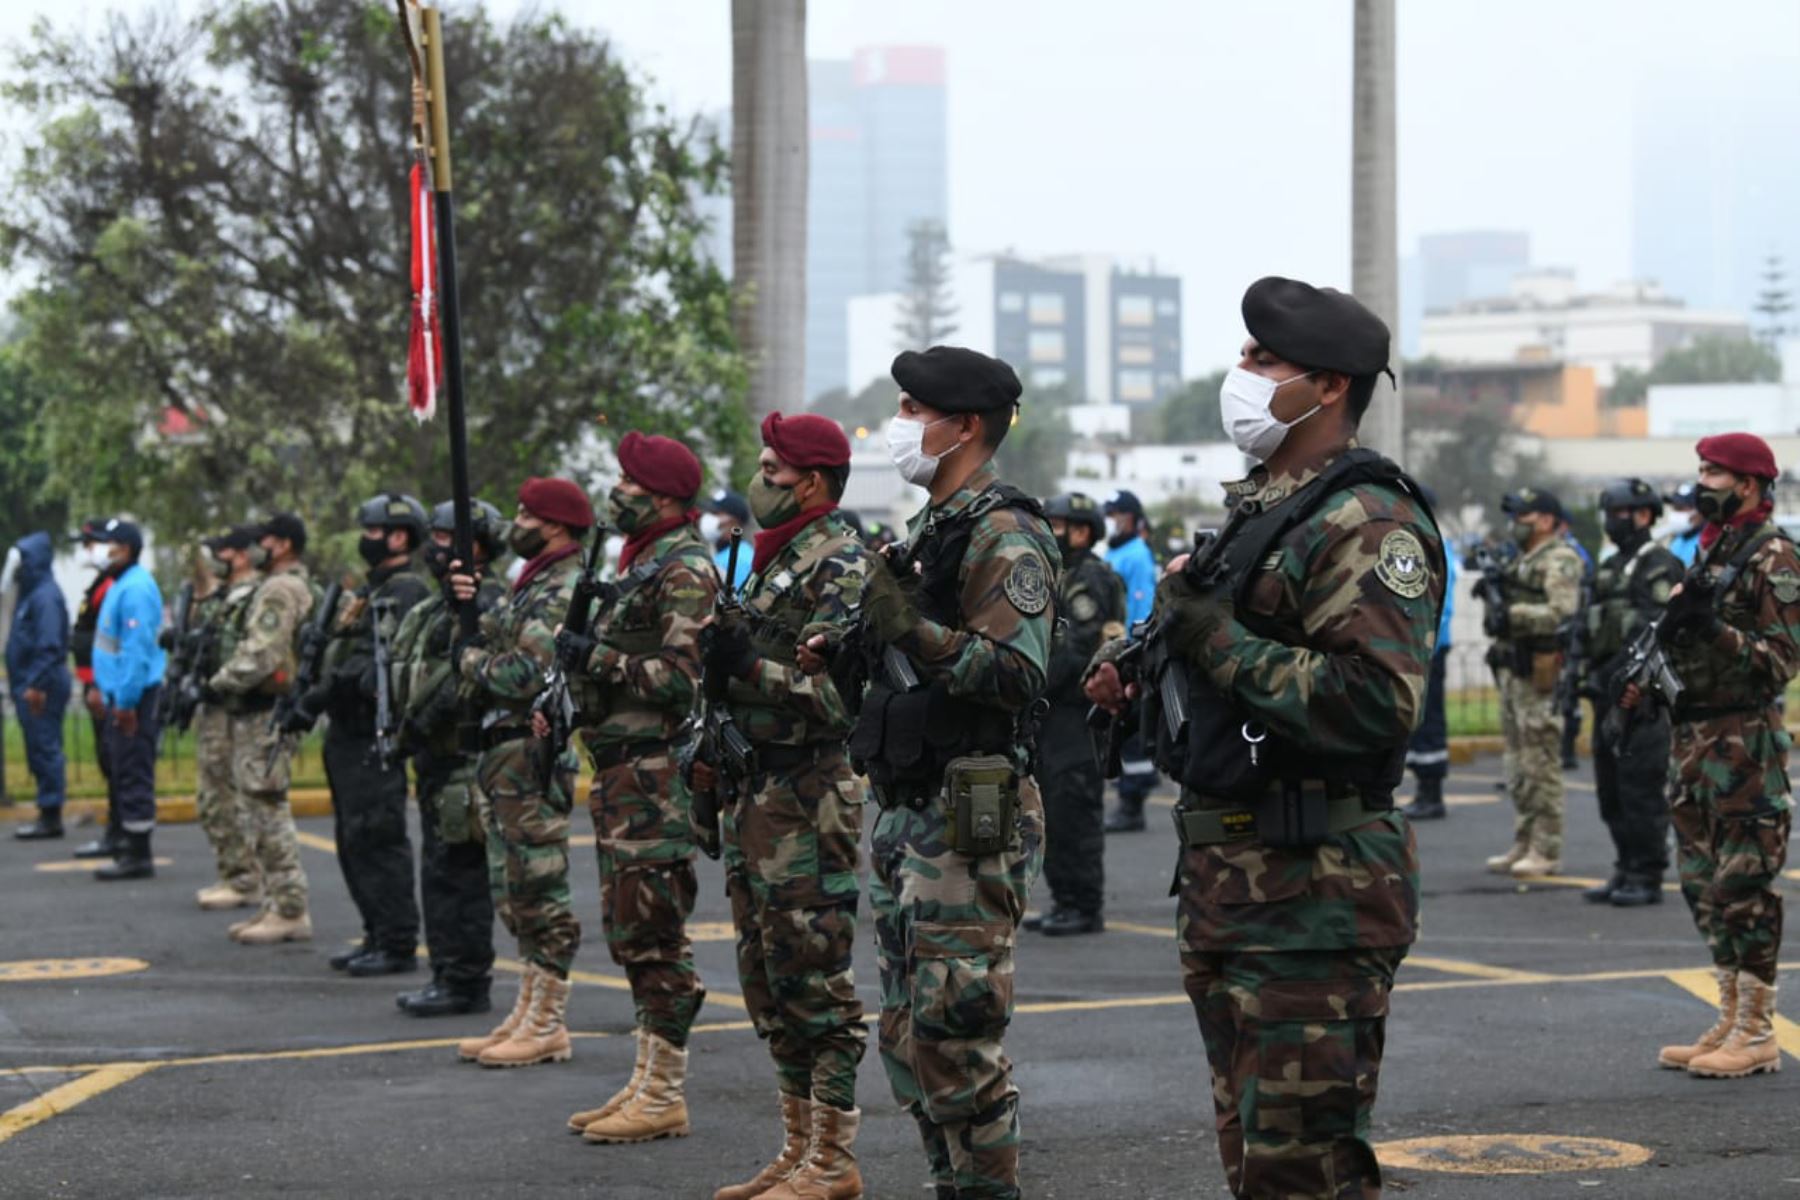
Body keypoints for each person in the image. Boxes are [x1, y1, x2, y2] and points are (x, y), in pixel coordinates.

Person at [1087, 276, 1443, 1198]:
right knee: (1257, 1161)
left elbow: (1375, 701)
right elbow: (1236, 672)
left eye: (1263, 359)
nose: (1240, 372)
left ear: (1327, 386)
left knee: (1304, 1169)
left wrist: (1214, 635)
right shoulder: (1269, 507)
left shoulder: (1366, 517)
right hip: (1233, 884)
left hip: (1314, 893)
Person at [826, 345, 1053, 1200]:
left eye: (917, 409)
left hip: (972, 804)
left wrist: (911, 632)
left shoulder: (1006, 532)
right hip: (909, 808)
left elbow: (1017, 673)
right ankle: (947, 1185)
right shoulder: (934, 530)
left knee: (958, 1033)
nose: (902, 424)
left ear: (966, 426)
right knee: (907, 1036)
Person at [694, 412, 874, 1197]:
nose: (759, 479)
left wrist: (746, 671)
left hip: (807, 794)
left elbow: (843, 702)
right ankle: (797, 1149)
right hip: (756, 791)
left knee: (816, 979)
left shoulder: (842, 563)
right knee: (766, 978)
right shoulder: (770, 562)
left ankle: (833, 1159)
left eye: (772, 468)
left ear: (811, 480)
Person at [556, 433, 716, 1145]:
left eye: (626, 482)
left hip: (654, 776)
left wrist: (602, 657)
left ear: (660, 496)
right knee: (630, 927)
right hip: (623, 772)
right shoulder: (640, 561)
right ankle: (646, 1076)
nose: (613, 492)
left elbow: (682, 682)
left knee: (653, 930)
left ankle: (666, 1090)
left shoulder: (682, 570)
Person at [1640, 434, 1797, 1079]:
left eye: (1714, 472)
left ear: (1750, 485)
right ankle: (1730, 1014)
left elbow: (1780, 662)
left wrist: (1713, 629)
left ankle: (1758, 1030)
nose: (1702, 482)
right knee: (1703, 886)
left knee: (1744, 885)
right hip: (1694, 741)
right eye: (1701, 470)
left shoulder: (1775, 556)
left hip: (1744, 745)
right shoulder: (1712, 552)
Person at [450, 477, 590, 1068]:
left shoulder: (561, 587)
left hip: (532, 757)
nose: (515, 522)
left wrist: (471, 658)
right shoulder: (531, 580)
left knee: (539, 888)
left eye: (524, 514)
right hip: (503, 756)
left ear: (552, 525)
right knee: (513, 892)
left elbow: (523, 676)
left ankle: (549, 1018)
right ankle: (528, 1006)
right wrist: (472, 607)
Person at [285, 494, 431, 974]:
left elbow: (372, 665)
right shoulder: (369, 591)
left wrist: (323, 693)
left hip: (374, 733)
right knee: (353, 840)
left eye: (372, 531)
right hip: (347, 733)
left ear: (397, 536)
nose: (364, 539)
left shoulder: (404, 590)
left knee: (378, 837)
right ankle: (375, 932)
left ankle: (396, 941)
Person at [392, 500, 508, 1015]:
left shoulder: (491, 602)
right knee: (437, 871)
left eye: (444, 539)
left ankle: (464, 980)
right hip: (431, 759)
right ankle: (446, 972)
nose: (433, 549)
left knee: (459, 875)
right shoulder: (432, 607)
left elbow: (478, 674)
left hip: (464, 757)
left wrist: (473, 611)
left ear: (476, 546)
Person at [210, 514, 317, 945]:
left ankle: (290, 907)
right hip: (261, 710)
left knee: (265, 804)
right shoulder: (275, 585)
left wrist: (218, 681)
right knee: (255, 805)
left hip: (266, 710)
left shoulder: (280, 588)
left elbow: (263, 653)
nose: (257, 546)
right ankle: (276, 903)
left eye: (266, 539)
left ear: (285, 544)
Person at [1026, 492, 1125, 935]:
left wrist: (1029, 678)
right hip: (1051, 716)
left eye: (1060, 524)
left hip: (1076, 712)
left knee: (1074, 812)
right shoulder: (1057, 574)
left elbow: (1077, 648)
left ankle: (1084, 905)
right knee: (1052, 811)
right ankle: (1064, 899)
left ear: (1082, 531)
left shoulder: (1092, 578)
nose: (1052, 531)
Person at [1582, 479, 1681, 908]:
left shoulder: (1658, 564)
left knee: (1640, 786)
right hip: (1606, 690)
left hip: (1642, 696)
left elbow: (1656, 626)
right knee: (1610, 788)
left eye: (1619, 513)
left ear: (1643, 516)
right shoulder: (1610, 564)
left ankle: (1647, 872)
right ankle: (1624, 865)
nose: (1612, 522)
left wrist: (1631, 679)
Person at [1485, 489, 1581, 878]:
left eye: (1522, 517)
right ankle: (1524, 840)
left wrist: (1513, 613)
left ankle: (1546, 848)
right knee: (1517, 764)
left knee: (1541, 762)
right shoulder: (1521, 559)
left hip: (1540, 673)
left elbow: (1562, 612)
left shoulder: (1560, 558)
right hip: (1513, 671)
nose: (1515, 525)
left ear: (1544, 520)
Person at [191, 526, 263, 907]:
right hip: (215, 705)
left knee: (225, 793)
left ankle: (244, 877)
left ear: (239, 555)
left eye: (220, 552)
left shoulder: (252, 594)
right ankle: (232, 873)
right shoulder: (223, 596)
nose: (213, 559)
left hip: (232, 706)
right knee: (212, 794)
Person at [90, 519, 166, 880]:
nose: (106, 551)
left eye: (112, 545)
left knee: (134, 771)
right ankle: (125, 843)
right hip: (121, 695)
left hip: (133, 698)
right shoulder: (122, 585)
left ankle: (138, 854)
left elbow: (135, 653)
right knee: (122, 769)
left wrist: (125, 702)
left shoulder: (135, 589)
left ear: (128, 549)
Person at [67, 517, 128, 857]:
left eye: (92, 543)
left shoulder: (112, 586)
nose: (88, 550)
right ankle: (116, 831)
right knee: (109, 760)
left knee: (116, 759)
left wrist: (94, 685)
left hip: (105, 686)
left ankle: (121, 834)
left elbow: (105, 640)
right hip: (98, 684)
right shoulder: (102, 583)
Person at [1101, 488, 1159, 833]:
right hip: (1112, 652)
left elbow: (1140, 608)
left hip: (1127, 653)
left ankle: (1132, 804)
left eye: (1118, 516)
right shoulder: (1116, 553)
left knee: (1130, 734)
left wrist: (1129, 654)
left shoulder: (1136, 555)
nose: (1113, 522)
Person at [7, 532, 71, 840]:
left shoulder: (45, 597)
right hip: (29, 683)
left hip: (40, 686)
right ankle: (46, 809)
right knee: (37, 747)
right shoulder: (31, 595)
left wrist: (36, 684)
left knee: (45, 747)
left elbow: (50, 646)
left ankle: (51, 814)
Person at [1401, 500, 1457, 821]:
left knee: (1430, 723)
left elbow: (1440, 608)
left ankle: (1432, 794)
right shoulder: (1425, 543)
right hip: (1424, 649)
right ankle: (1425, 789)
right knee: (1420, 724)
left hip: (1431, 649)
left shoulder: (1437, 549)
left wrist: (1425, 647)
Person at [1558, 518, 1595, 771]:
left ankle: (1568, 748)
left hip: (1573, 629)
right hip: (1564, 630)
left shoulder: (1574, 552)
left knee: (1569, 687)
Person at [701, 487, 754, 593]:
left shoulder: (737, 560)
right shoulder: (730, 554)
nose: (708, 517)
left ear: (733, 521)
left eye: (716, 513)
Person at [1663, 482, 1703, 567]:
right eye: (1674, 508)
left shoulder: (1706, 542)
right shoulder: (1677, 540)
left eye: (1680, 508)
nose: (1675, 513)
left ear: (1698, 511)